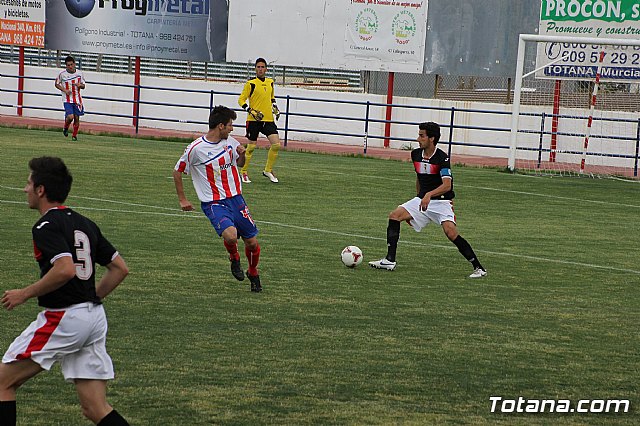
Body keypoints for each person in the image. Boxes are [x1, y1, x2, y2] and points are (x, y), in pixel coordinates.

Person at [0, 157, 130, 426]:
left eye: (28, 183)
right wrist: (89, 298)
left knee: (2, 383)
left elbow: (65, 269)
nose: (25, 189)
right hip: (93, 318)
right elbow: (119, 268)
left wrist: (24, 293)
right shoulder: (85, 223)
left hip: (65, 318)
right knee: (96, 408)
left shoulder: (45, 226)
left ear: (41, 190)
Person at [369, 122, 487, 278]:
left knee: (451, 233)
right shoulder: (415, 155)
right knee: (394, 215)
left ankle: (479, 268)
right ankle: (390, 260)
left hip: (442, 202)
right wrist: (420, 197)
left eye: (421, 135)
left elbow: (447, 185)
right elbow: (419, 177)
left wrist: (429, 195)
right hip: (422, 200)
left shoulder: (442, 158)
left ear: (432, 138)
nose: (418, 139)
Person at [173, 105, 263, 292]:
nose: (232, 129)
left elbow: (238, 164)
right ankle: (234, 258)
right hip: (213, 202)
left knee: (252, 243)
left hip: (236, 198)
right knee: (230, 236)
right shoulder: (196, 149)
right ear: (221, 126)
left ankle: (253, 272)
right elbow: (177, 171)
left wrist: (242, 155)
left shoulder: (229, 141)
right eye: (230, 125)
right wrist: (182, 199)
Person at [237, 57, 282, 184]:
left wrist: (274, 107)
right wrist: (250, 110)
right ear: (255, 69)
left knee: (276, 145)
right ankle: (244, 172)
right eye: (258, 67)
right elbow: (241, 100)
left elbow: (272, 98)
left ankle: (268, 170)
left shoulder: (270, 82)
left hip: (268, 119)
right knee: (251, 147)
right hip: (254, 119)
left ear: (266, 69)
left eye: (262, 67)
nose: (260, 69)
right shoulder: (251, 83)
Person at [54, 55, 85, 141]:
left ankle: (74, 136)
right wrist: (64, 90)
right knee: (70, 117)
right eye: (68, 65)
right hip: (67, 99)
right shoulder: (62, 74)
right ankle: (65, 127)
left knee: (77, 118)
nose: (70, 67)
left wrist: (80, 85)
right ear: (66, 65)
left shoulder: (79, 73)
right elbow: (56, 84)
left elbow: (83, 85)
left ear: (74, 64)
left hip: (77, 99)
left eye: (71, 64)